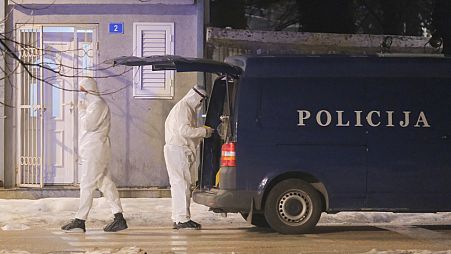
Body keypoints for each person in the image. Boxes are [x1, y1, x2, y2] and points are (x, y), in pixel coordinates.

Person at [61, 78, 127, 233]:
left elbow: (89, 126)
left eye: (82, 89)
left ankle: (80, 220)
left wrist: (82, 110)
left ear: (88, 89)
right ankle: (119, 218)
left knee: (87, 184)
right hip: (93, 149)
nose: (81, 93)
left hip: (95, 150)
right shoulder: (95, 104)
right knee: (105, 183)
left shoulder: (97, 104)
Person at [164, 85, 214, 230]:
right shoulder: (184, 108)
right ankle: (182, 219)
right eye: (201, 100)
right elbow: (184, 131)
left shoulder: (184, 107)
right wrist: (204, 131)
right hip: (179, 150)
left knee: (179, 185)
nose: (200, 103)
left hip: (176, 149)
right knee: (183, 185)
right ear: (196, 97)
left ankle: (178, 217)